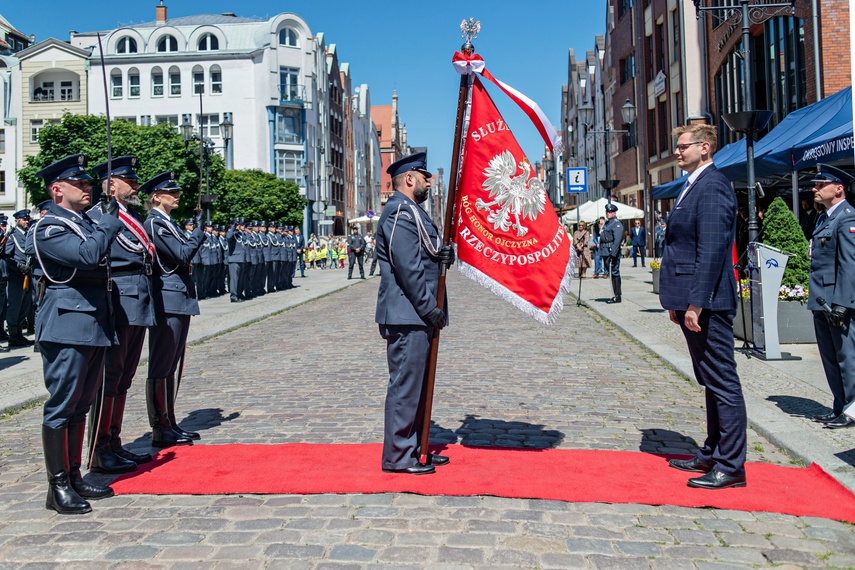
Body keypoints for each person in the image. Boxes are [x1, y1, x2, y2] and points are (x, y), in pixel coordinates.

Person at [31, 154, 124, 514]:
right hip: (67, 325)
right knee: (62, 405)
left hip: (93, 323)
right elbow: (87, 256)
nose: (88, 188)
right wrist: (107, 224)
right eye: (79, 183)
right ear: (57, 190)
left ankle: (72, 475)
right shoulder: (51, 227)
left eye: (88, 183)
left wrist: (103, 224)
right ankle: (57, 487)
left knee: (82, 404)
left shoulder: (84, 223)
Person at [660, 124, 746, 490]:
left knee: (723, 381)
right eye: (676, 146)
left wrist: (696, 302)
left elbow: (711, 251)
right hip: (692, 299)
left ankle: (731, 465)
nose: (677, 152)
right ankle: (712, 450)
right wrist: (680, 302)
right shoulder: (692, 184)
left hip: (708, 302)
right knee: (709, 378)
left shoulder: (713, 186)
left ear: (705, 148)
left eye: (683, 147)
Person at [374, 152, 454, 475]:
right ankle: (398, 456)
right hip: (407, 315)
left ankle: (417, 448)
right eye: (424, 175)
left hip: (416, 315)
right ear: (409, 179)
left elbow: (426, 255)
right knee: (406, 386)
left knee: (419, 387)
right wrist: (429, 308)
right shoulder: (398, 214)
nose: (428, 181)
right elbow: (408, 269)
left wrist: (444, 255)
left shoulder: (413, 213)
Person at [86, 156, 155, 474]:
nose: (137, 186)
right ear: (113, 185)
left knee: (124, 377)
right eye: (131, 181)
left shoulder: (131, 216)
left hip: (137, 301)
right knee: (109, 377)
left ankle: (114, 441)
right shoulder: (99, 215)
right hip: (118, 302)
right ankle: (100, 448)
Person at [142, 171, 205, 448]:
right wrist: (199, 233)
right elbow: (181, 255)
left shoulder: (169, 223)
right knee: (162, 363)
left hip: (178, 296)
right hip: (167, 298)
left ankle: (170, 421)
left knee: (172, 363)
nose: (177, 195)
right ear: (157, 196)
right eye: (171, 192)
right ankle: (160, 426)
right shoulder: (156, 224)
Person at [806, 163, 855, 429]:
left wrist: (843, 304)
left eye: (820, 184)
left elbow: (849, 264)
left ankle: (852, 410)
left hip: (836, 301)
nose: (815, 188)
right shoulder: (824, 217)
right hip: (821, 299)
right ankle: (839, 405)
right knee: (830, 356)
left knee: (847, 356)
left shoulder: (847, 217)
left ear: (838, 188)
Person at [6, 208, 34, 347]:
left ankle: (19, 334)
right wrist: (19, 266)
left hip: (28, 275)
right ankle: (13, 336)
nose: (26, 221)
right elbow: (7, 257)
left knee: (25, 305)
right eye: (24, 219)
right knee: (15, 306)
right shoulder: (12, 236)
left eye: (27, 219)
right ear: (17, 221)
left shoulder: (29, 234)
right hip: (17, 276)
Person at [600, 205, 623, 303]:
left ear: (614, 213)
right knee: (610, 273)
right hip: (605, 251)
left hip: (611, 251)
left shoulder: (616, 224)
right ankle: (614, 294)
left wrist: (613, 253)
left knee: (614, 272)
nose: (608, 213)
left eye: (610, 212)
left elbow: (617, 240)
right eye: (607, 212)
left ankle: (617, 296)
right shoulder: (607, 223)